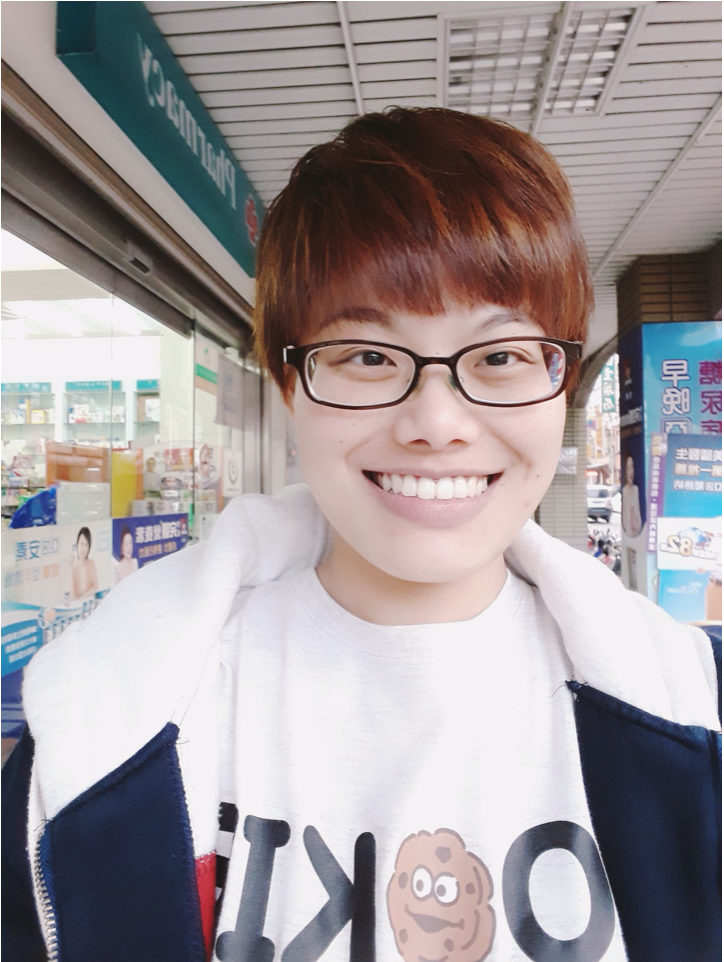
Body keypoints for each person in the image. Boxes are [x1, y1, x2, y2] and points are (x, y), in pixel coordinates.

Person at [2, 109, 720, 962]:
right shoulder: (95, 733)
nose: (437, 423)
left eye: (500, 357)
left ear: (559, 382)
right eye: (369, 357)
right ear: (290, 387)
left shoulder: (695, 716)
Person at [69, 525, 98, 602]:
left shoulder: (91, 564)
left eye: (86, 545)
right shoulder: (74, 568)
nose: (83, 548)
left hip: (90, 603)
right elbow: (72, 597)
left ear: (89, 547)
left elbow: (95, 587)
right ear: (77, 544)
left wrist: (82, 598)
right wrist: (71, 569)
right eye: (81, 544)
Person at [621, 453, 643, 537]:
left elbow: (638, 518)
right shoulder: (624, 491)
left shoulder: (636, 490)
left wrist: (637, 525)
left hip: (637, 534)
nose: (631, 472)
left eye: (632, 467)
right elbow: (625, 521)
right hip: (629, 534)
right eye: (628, 468)